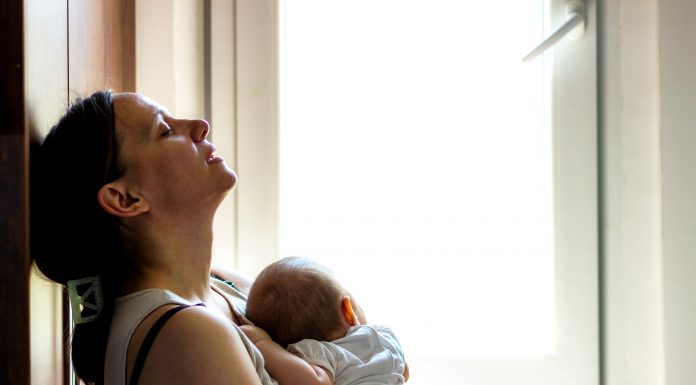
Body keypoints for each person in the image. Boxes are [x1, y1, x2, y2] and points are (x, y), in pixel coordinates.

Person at [31, 90, 275, 385]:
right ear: (126, 199)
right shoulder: (191, 334)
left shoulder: (223, 284)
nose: (200, 125)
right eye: (166, 130)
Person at [242, 257, 409, 385]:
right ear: (348, 310)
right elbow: (404, 372)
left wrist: (261, 342)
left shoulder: (320, 354)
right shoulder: (384, 334)